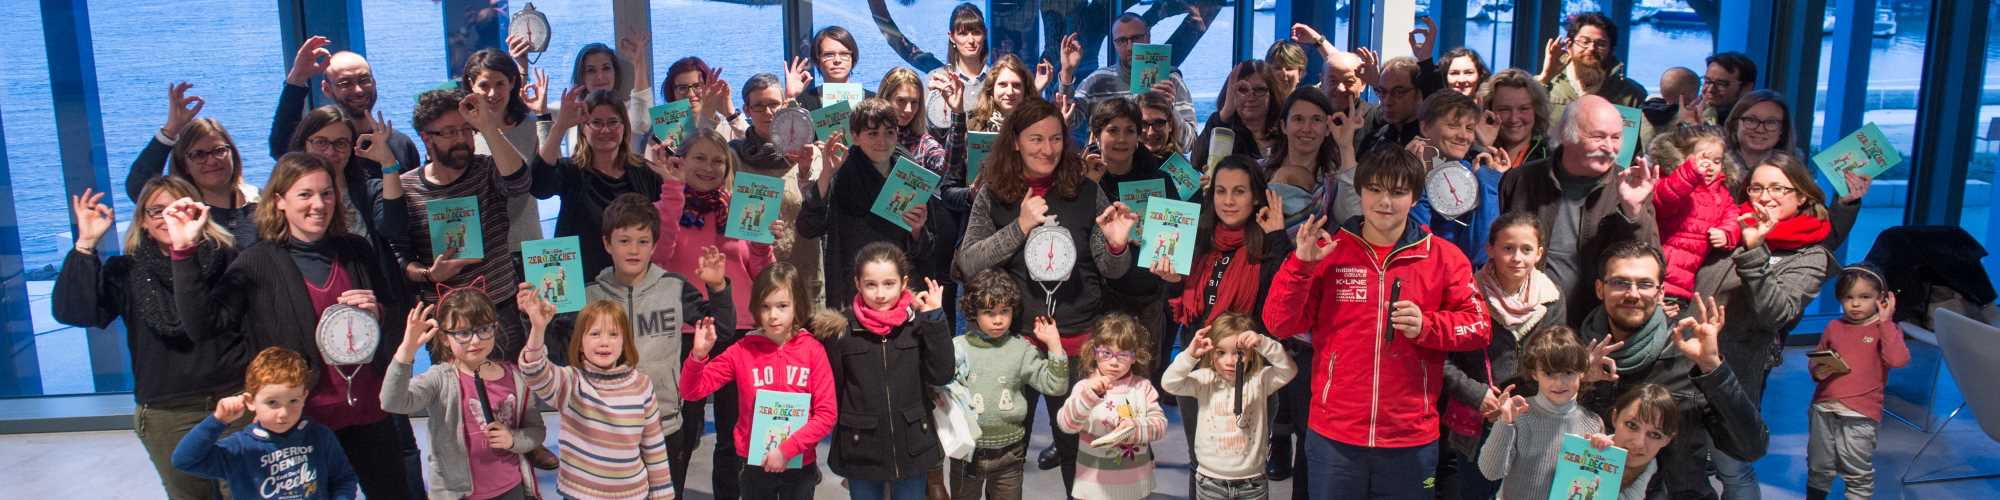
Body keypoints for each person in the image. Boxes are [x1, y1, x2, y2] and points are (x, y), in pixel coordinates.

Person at [171, 153, 415, 498]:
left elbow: (394, 312)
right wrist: (183, 252)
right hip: (302, 423)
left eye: (327, 193)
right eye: (305, 194)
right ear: (279, 201)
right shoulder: (257, 262)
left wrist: (380, 313)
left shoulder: (356, 250)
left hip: (369, 412)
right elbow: (203, 325)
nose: (319, 204)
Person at [1262, 147, 1492, 500]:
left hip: (1411, 438)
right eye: (1375, 189)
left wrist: (1429, 326)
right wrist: (1299, 267)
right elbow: (1279, 323)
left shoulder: (1444, 258)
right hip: (1334, 435)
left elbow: (1478, 327)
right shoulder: (1327, 251)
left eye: (1398, 192)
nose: (1385, 201)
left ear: (1415, 196)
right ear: (1360, 191)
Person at [952, 98, 1138, 489]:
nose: (1047, 149)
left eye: (1055, 138)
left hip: (1077, 343)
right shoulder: (994, 193)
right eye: (1035, 138)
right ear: (1015, 142)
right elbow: (968, 263)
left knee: (1078, 452)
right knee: (1003, 450)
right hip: (1013, 345)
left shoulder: (1086, 191)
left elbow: (1111, 269)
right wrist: (1019, 226)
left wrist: (1118, 246)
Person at [56, 182, 248, 500]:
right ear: (143, 221)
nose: (167, 217)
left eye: (178, 207)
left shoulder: (227, 259)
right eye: (156, 210)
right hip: (167, 412)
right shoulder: (126, 270)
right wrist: (86, 243)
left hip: (234, 400)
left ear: (199, 211)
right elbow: (75, 313)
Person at [1692, 153, 1839, 499]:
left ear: (1802, 195)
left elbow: (1776, 313)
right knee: (1684, 462)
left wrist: (1755, 246)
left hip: (1735, 371)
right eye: (1757, 187)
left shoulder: (1811, 256)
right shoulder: (1729, 226)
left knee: (1732, 465)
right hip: (1685, 360)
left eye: (1778, 188)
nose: (1765, 196)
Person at [1574, 242, 1769, 499]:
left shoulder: (1687, 353)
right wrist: (1580, 381)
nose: (1632, 294)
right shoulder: (1575, 355)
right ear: (1600, 289)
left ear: (1660, 292)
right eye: (1620, 283)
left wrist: (1712, 367)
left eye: (1645, 284)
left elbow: (1750, 448)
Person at [591, 192, 737, 498]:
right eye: (624, 240)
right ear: (607, 243)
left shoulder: (673, 287)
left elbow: (722, 330)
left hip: (665, 423)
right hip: (609, 428)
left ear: (655, 245)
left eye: (643, 241)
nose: (634, 249)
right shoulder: (590, 296)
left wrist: (718, 287)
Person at [680, 263, 843, 500]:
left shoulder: (813, 352)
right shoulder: (742, 350)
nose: (773, 315)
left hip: (799, 464)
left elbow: (827, 415)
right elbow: (692, 391)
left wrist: (787, 450)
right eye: (765, 307)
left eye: (782, 306)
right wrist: (697, 357)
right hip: (754, 465)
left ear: (797, 305)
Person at [1498, 95, 1661, 327]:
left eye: (1616, 138)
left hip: (1594, 325)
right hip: (1524, 320)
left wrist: (1632, 212)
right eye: (1598, 136)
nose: (1609, 147)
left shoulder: (1628, 186)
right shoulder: (1521, 179)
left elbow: (1651, 262)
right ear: (1566, 135)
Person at [1436, 211, 1565, 500]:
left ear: (1539, 253)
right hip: (1477, 419)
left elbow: (1556, 359)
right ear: (1490, 249)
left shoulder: (1551, 297)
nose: (1517, 258)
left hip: (1531, 420)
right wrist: (1478, 394)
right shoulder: (1465, 294)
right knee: (1476, 490)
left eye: (1526, 249)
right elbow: (1441, 360)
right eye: (1508, 248)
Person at [395, 88, 533, 357]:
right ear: (426, 138)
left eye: (466, 130)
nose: (461, 139)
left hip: (499, 309)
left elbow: (520, 183)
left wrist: (488, 127)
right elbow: (399, 256)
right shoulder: (406, 188)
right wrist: (429, 274)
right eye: (448, 132)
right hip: (446, 320)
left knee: (509, 392)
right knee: (454, 397)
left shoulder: (488, 170)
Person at [380, 294, 547, 500]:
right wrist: (406, 351)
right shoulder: (439, 379)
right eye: (463, 333)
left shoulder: (516, 378)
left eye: (484, 329)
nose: (475, 340)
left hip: (510, 488)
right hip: (456, 494)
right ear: (444, 338)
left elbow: (536, 431)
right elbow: (392, 402)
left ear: (495, 328)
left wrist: (512, 439)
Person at [824, 244, 954, 500]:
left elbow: (942, 374)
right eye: (871, 284)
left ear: (903, 283)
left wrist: (935, 320)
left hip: (912, 443)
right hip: (861, 446)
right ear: (857, 284)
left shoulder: (919, 323)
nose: (880, 294)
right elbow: (833, 388)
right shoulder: (842, 331)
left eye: (889, 283)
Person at [517, 294, 675, 498]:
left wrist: (663, 494)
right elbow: (534, 371)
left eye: (613, 334)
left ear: (624, 342)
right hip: (579, 494)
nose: (604, 342)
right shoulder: (571, 382)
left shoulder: (642, 384)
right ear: (580, 343)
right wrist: (538, 329)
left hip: (633, 494)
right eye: (595, 334)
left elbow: (654, 446)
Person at [797, 98, 938, 308]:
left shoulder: (910, 173)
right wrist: (826, 172)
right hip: (853, 289)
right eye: (872, 134)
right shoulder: (841, 172)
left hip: (900, 287)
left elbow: (927, 249)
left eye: (889, 132)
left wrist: (917, 230)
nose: (881, 141)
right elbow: (808, 227)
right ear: (854, 136)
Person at [171, 347, 360, 500]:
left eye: (293, 401)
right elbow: (184, 460)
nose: (283, 413)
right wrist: (217, 421)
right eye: (272, 403)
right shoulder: (240, 448)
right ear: (251, 401)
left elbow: (343, 479)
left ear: (304, 397)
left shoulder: (320, 436)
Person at [946, 270, 1070, 500]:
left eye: (1005, 311)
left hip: (1010, 455)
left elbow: (1056, 386)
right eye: (989, 312)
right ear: (973, 312)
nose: (998, 319)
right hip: (966, 453)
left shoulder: (1021, 349)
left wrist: (1054, 346)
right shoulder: (957, 348)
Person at [531, 88, 666, 280]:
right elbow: (539, 187)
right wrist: (560, 126)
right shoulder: (571, 170)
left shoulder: (645, 171)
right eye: (596, 123)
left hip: (634, 282)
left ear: (624, 127)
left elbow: (668, 221)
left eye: (613, 122)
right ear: (583, 129)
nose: (605, 130)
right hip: (582, 284)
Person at [1161, 313, 1298, 500]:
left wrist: (1264, 343)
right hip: (1210, 481)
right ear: (1211, 352)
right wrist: (1190, 356)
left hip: (1252, 482)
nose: (1230, 361)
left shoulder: (1260, 380)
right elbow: (1169, 383)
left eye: (1238, 353)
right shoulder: (1204, 379)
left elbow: (1288, 370)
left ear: (1251, 352)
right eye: (1221, 352)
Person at [1807, 265, 1910, 500]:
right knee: (1818, 466)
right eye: (1848, 297)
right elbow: (1817, 359)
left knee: (1856, 472)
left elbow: (1898, 359)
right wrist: (1819, 371)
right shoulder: (1833, 327)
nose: (1855, 304)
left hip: (1860, 414)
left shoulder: (1885, 330)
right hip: (1824, 407)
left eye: (1864, 297)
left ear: (1881, 299)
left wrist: (1886, 322)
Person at [731, 72, 829, 308]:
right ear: (746, 109)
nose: (768, 112)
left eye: (774, 104)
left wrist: (805, 170)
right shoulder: (733, 156)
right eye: (759, 106)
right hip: (755, 277)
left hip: (804, 272)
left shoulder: (810, 153)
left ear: (784, 105)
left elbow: (819, 208)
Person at [1476, 326, 1603, 500]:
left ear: (1582, 372)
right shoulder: (1519, 415)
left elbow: (1597, 486)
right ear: (1535, 374)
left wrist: (1603, 451)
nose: (1559, 383)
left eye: (1568, 373)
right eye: (1549, 374)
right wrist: (1504, 423)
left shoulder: (1593, 423)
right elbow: (1490, 472)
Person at [128, 83, 261, 246]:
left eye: (219, 150)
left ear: (232, 153)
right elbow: (138, 187)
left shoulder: (258, 199)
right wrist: (170, 130)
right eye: (199, 155)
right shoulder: (181, 210)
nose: (212, 161)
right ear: (184, 165)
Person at [1057, 313, 1169, 500]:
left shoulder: (1142, 387)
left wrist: (1135, 428)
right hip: (1092, 489)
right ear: (1094, 352)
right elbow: (1066, 424)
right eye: (1107, 353)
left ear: (1135, 356)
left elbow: (1160, 425)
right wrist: (1088, 397)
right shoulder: (1085, 388)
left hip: (1136, 488)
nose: (1114, 362)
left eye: (1123, 354)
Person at [271, 36, 420, 171]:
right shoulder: (322, 147)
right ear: (327, 90)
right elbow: (281, 149)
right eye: (345, 83)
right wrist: (297, 77)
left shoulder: (401, 144)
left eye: (364, 80)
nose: (358, 90)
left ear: (374, 83)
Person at [459, 48, 548, 259]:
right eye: (484, 85)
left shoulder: (530, 125)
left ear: (512, 82)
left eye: (499, 84)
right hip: (482, 249)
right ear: (471, 85)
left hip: (528, 243)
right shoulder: (463, 131)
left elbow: (549, 175)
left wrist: (544, 116)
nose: (492, 93)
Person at [1064, 13, 1197, 145]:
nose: (1129, 47)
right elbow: (1070, 121)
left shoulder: (1170, 80)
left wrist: (1170, 109)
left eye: (1136, 38)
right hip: (1110, 163)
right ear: (1114, 44)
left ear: (1148, 37)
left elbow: (1190, 143)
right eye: (1122, 41)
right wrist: (1067, 72)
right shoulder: (1097, 81)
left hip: (1160, 164)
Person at [1649, 125, 1739, 313]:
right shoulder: (1670, 180)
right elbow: (1664, 199)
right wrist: (1690, 172)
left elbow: (1733, 218)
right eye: (1703, 158)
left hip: (1683, 283)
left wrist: (1727, 234)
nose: (1710, 166)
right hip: (1655, 272)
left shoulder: (1721, 194)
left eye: (1717, 161)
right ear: (1682, 156)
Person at [1412, 91, 1506, 268]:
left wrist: (1488, 185)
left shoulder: (1477, 172)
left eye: (1469, 128)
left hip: (1467, 283)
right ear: (1425, 127)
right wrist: (1415, 180)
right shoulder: (1401, 172)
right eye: (1453, 125)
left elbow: (1480, 254)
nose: (1464, 136)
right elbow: (1416, 249)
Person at [1264, 87, 1350, 228]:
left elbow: (1349, 220)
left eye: (1316, 120)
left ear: (1328, 128)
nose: (1306, 128)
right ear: (1283, 126)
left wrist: (1346, 147)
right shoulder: (1258, 171)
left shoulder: (1337, 183)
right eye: (1298, 119)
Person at [1581, 384, 1678, 500]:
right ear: (1614, 418)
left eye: (1654, 435)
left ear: (1667, 440)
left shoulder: (1673, 490)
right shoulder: (1582, 452)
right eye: (1632, 425)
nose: (1639, 443)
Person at [1540, 12, 1648, 111]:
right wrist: (1545, 77)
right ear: (1569, 45)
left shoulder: (1632, 94)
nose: (1591, 48)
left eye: (1601, 44)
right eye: (1584, 41)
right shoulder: (1547, 84)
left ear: (1612, 50)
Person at [1193, 61, 1284, 169]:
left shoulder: (1285, 132)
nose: (1251, 97)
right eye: (1243, 90)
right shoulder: (1224, 129)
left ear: (1272, 94)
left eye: (1259, 90)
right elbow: (1197, 162)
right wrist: (1225, 113)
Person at [926, 3, 991, 133]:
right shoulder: (937, 80)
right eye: (963, 33)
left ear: (985, 34)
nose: (971, 40)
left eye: (976, 32)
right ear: (952, 37)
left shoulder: (999, 80)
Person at [1479, 69, 1554, 169]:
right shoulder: (1468, 151)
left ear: (1536, 111)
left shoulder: (1552, 159)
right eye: (1504, 109)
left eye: (1523, 109)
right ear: (1488, 110)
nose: (1513, 119)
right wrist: (1483, 147)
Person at [663, 56, 750, 142]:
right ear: (672, 92)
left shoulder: (729, 123)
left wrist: (731, 115)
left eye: (697, 86)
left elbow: (757, 149)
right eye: (682, 88)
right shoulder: (663, 129)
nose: (690, 94)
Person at [790, 26, 877, 110]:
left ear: (853, 58)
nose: (837, 60)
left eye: (844, 54)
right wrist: (790, 97)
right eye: (829, 55)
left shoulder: (873, 100)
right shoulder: (804, 102)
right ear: (817, 59)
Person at [1356, 56, 1427, 157]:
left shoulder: (1432, 141)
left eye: (1398, 92)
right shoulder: (1373, 141)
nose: (1387, 101)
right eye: (1383, 92)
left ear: (1419, 94)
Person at [965, 55, 1040, 134]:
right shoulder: (975, 124)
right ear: (992, 88)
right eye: (1003, 85)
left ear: (1025, 89)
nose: (1010, 92)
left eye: (1016, 85)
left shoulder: (1039, 124)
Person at [1691, 53, 1757, 127]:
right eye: (1707, 81)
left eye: (1721, 84)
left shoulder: (1753, 124)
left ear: (1746, 88)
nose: (1710, 89)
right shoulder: (1690, 112)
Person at [1137, 90, 1191, 159]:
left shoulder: (1181, 168)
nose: (1151, 133)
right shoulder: (1123, 165)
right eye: (1143, 124)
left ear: (1170, 125)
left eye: (1159, 123)